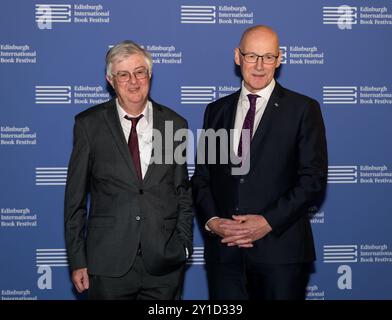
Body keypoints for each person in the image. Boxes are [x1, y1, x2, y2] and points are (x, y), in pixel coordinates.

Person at [191, 25, 328, 300]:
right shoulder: (216, 111)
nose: (259, 65)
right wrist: (214, 222)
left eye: (268, 57)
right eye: (252, 56)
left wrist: (267, 221)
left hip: (280, 253)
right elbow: (202, 177)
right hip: (225, 255)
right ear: (237, 56)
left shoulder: (302, 109)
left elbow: (312, 179)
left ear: (279, 59)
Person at [64, 40, 193, 300]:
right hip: (108, 263)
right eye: (123, 74)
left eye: (139, 72)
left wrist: (184, 246)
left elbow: (182, 192)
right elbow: (74, 200)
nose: (133, 81)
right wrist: (78, 259)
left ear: (150, 75)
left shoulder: (175, 123)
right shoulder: (89, 125)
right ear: (110, 80)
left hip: (164, 264)